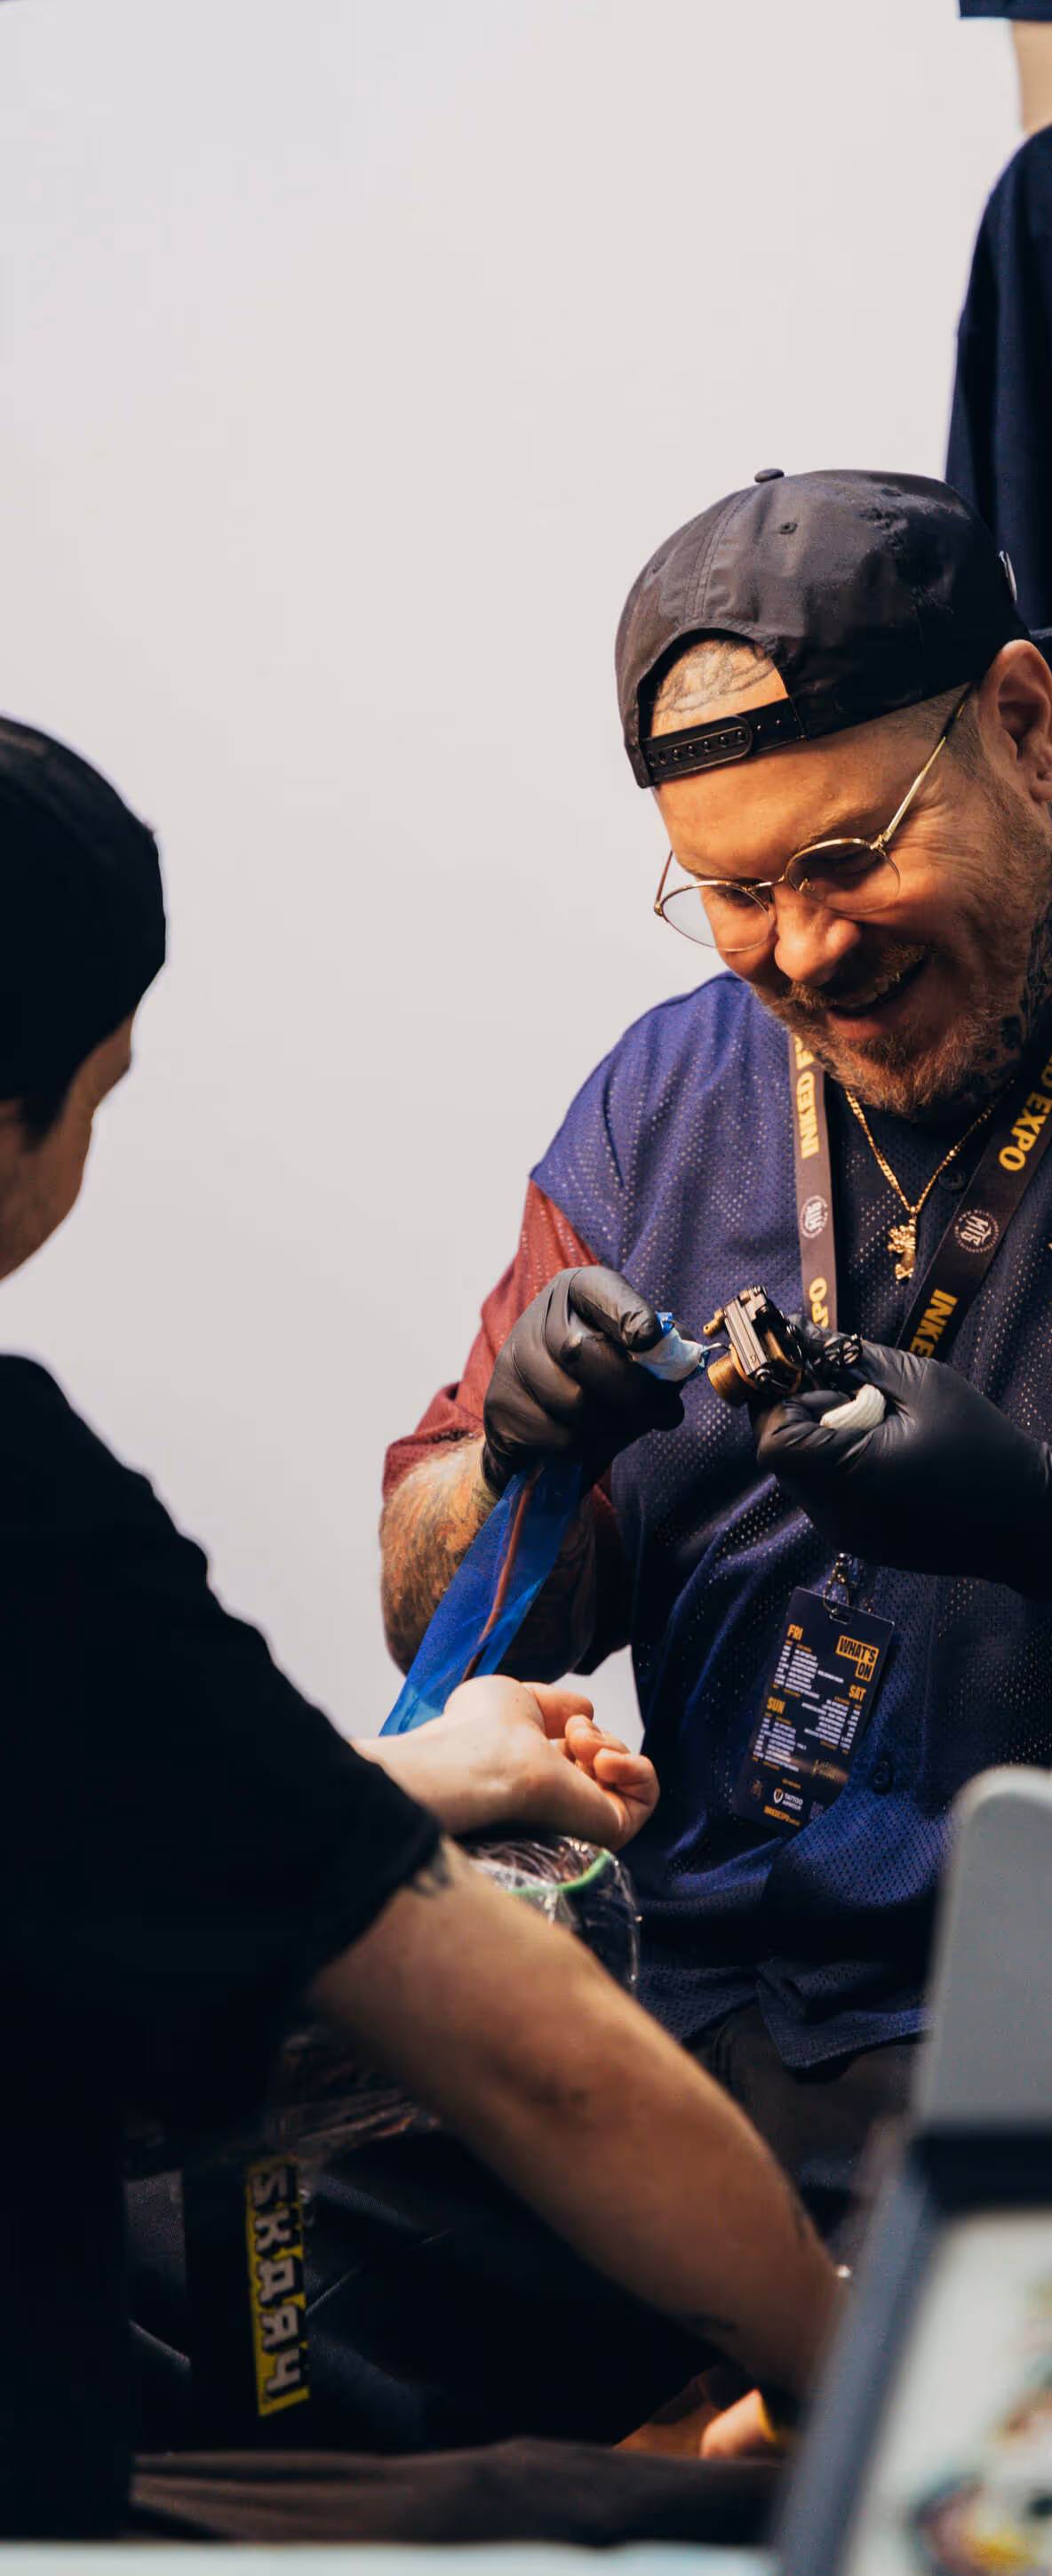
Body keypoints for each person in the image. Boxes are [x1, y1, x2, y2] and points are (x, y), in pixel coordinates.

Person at [381, 468, 1052, 2212]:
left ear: (1027, 724)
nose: (803, 950)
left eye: (848, 856)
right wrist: (507, 1464)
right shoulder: (658, 1102)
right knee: (174, 2274)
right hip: (685, 2030)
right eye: (730, 890)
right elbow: (443, 1617)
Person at [0, 717, 841, 2537]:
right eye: (738, 891)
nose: (801, 945)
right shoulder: (25, 1511)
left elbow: (82, 1788)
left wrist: (387, 1778)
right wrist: (863, 2377)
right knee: (667, 2506)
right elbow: (527, 2045)